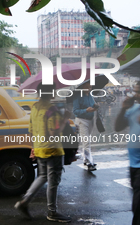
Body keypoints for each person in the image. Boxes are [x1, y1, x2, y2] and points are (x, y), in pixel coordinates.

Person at [14, 83, 71, 223]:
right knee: (53, 181)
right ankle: (52, 212)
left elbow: (31, 130)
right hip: (53, 150)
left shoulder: (35, 107)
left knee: (42, 176)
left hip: (39, 148)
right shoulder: (52, 110)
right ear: (51, 93)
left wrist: (33, 148)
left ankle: (24, 202)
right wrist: (65, 118)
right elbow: (54, 132)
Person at [115, 80, 140, 225]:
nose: (136, 95)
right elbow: (118, 127)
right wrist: (123, 109)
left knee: (139, 208)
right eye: (135, 91)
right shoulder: (134, 109)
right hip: (134, 164)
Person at [73, 81, 98, 171]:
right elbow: (75, 111)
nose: (90, 87)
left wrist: (95, 106)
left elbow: (92, 105)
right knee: (86, 142)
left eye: (91, 85)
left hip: (90, 120)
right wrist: (86, 110)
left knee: (86, 142)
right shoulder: (77, 97)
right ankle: (89, 163)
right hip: (82, 121)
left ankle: (85, 158)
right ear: (83, 85)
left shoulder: (90, 95)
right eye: (88, 85)